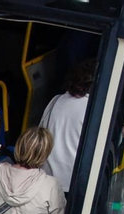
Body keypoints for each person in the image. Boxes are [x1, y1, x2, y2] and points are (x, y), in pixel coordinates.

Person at [40, 59, 96, 192]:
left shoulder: (55, 101)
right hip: (75, 184)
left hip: (46, 180)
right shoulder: (94, 110)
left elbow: (41, 134)